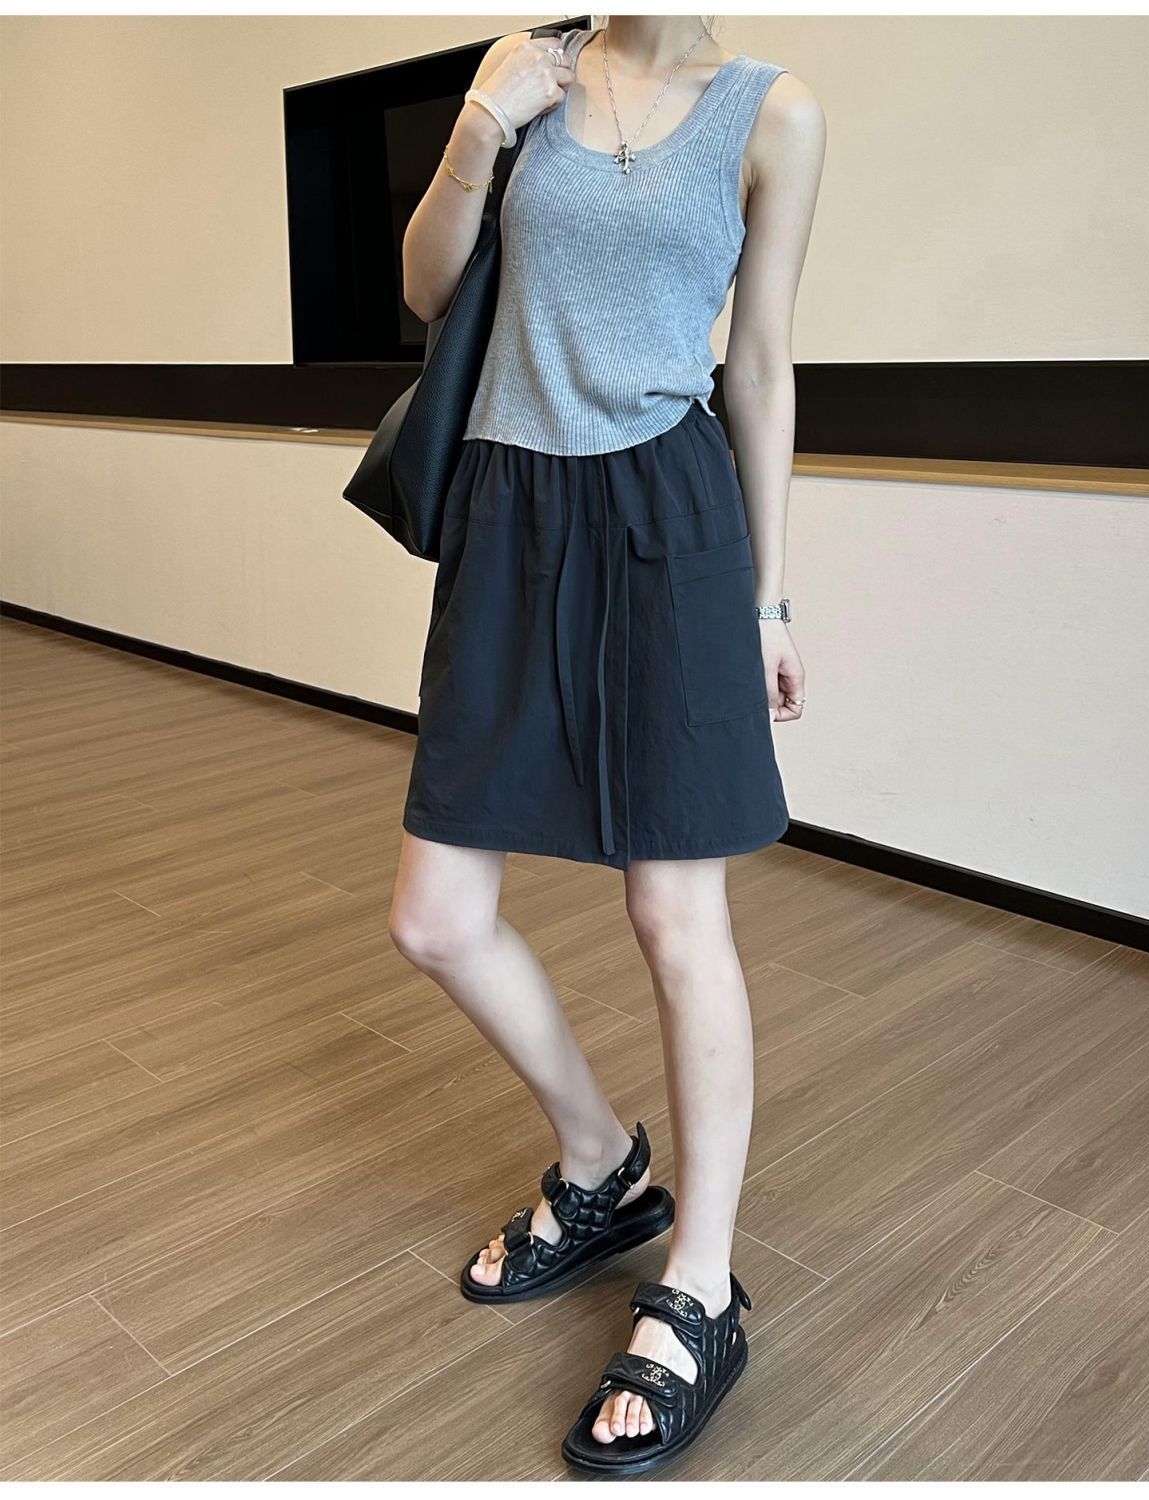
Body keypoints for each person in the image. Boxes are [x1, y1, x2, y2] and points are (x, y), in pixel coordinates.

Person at [391, 14, 825, 1474]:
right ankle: (602, 1162)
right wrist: (477, 126)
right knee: (435, 918)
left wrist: (767, 600)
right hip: (508, 511)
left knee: (674, 915)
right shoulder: (525, 75)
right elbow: (428, 290)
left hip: (669, 515)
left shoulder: (773, 114)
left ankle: (699, 1283)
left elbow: (758, 366)